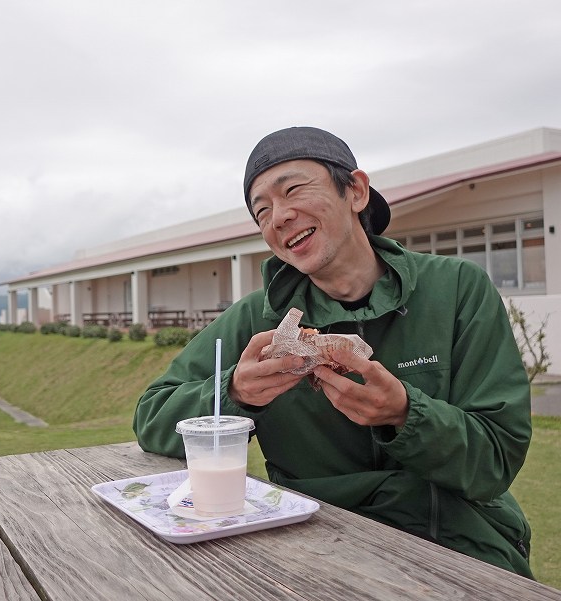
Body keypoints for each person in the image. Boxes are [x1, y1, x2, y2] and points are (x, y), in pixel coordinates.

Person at [133, 126, 534, 578]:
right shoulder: (255, 319)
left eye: (294, 190)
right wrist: (234, 393)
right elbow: (153, 418)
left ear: (357, 191)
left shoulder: (457, 288)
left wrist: (405, 413)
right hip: (314, 546)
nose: (278, 217)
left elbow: (496, 460)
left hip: (457, 541)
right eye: (261, 211)